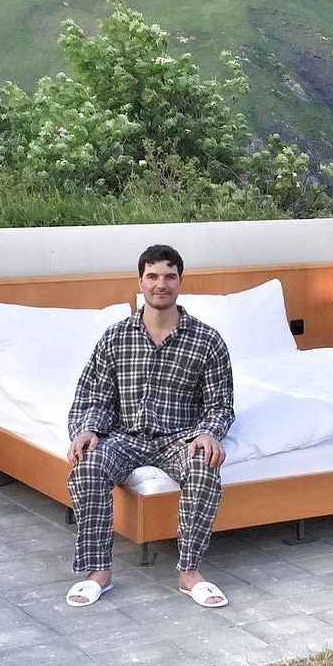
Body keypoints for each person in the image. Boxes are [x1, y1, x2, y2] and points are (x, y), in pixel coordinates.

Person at [64, 243, 234, 609]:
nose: (161, 284)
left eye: (169, 277)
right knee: (88, 465)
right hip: (125, 437)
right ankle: (98, 572)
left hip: (180, 438)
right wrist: (88, 429)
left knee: (204, 467)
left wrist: (208, 432)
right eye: (153, 276)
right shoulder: (115, 337)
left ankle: (190, 572)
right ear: (140, 282)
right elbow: (93, 397)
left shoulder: (207, 341)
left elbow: (221, 404)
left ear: (180, 282)